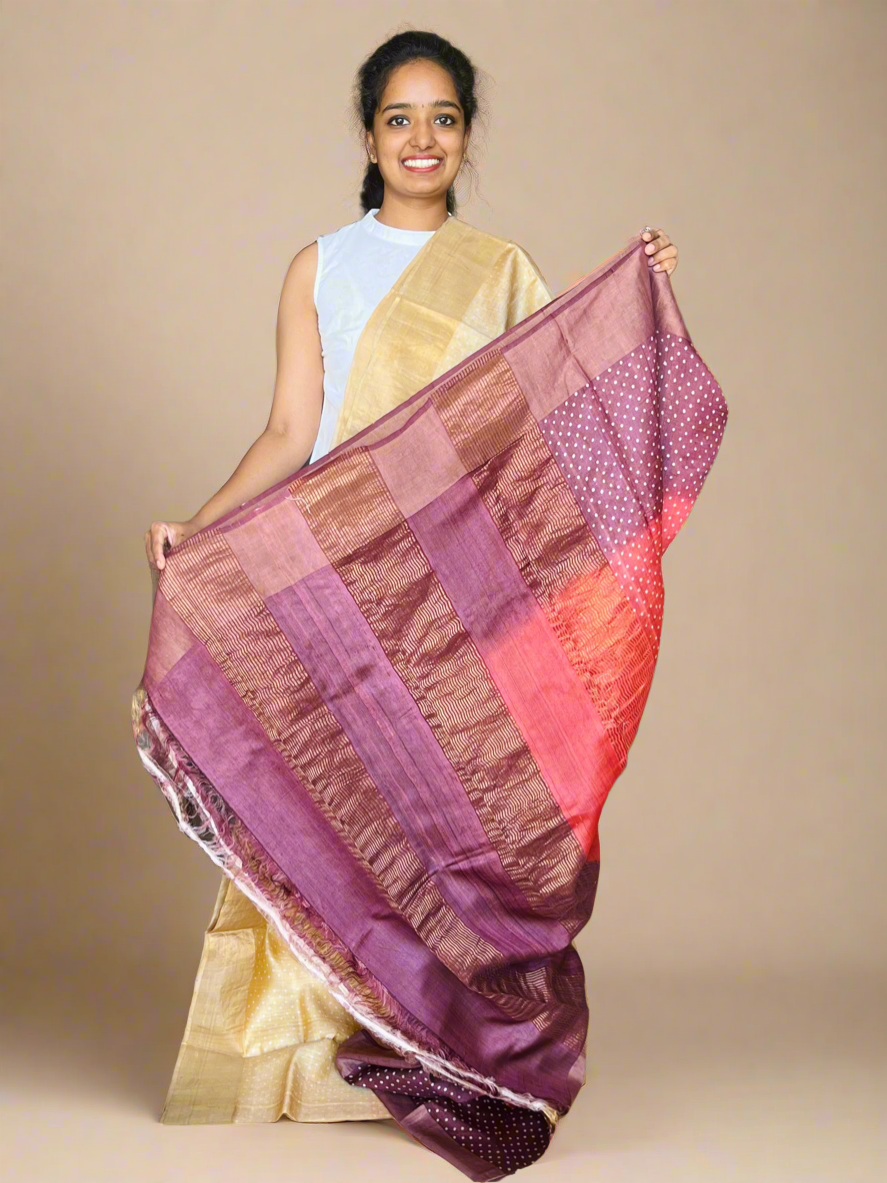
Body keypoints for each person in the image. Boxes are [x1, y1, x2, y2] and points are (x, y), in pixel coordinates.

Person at [142, 29, 679, 1128]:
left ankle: (444, 1045)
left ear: (467, 135)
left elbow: (547, 418)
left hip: (448, 595)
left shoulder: (502, 271)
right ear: (368, 135)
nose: (421, 138)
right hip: (328, 571)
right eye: (399, 118)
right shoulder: (320, 265)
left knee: (445, 814)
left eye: (443, 117)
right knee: (312, 802)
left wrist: (626, 299)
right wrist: (200, 525)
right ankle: (295, 1060)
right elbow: (291, 428)